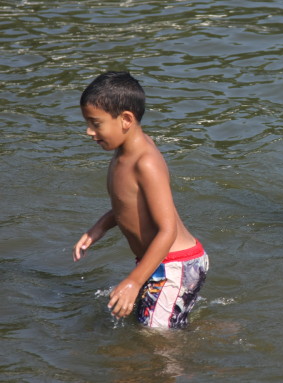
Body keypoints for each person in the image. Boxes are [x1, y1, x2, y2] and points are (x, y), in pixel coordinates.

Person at [73, 71, 209, 329]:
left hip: (175, 264)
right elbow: (127, 205)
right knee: (154, 326)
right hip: (158, 260)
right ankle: (212, 335)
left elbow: (167, 231)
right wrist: (97, 229)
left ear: (126, 119)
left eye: (96, 123)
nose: (89, 131)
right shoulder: (123, 153)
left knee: (154, 339)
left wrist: (133, 281)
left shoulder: (145, 162)